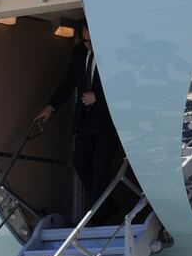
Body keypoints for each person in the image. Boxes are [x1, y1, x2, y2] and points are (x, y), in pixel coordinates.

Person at [35, 24, 125, 224]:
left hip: (108, 121)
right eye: (85, 40)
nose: (88, 44)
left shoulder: (115, 54)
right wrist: (51, 106)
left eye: (92, 41)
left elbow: (124, 83)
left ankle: (96, 216)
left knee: (102, 167)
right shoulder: (79, 52)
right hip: (86, 120)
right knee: (80, 162)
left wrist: (98, 97)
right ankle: (106, 204)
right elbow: (69, 82)